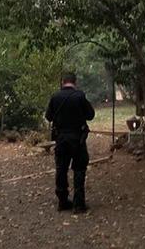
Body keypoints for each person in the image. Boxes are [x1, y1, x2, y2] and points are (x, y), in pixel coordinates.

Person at [45, 72, 95, 213]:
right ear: (75, 83)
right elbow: (90, 115)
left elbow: (48, 116)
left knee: (61, 169)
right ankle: (79, 204)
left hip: (61, 138)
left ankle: (62, 201)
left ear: (63, 82)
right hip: (77, 139)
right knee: (79, 169)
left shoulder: (55, 97)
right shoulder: (80, 96)